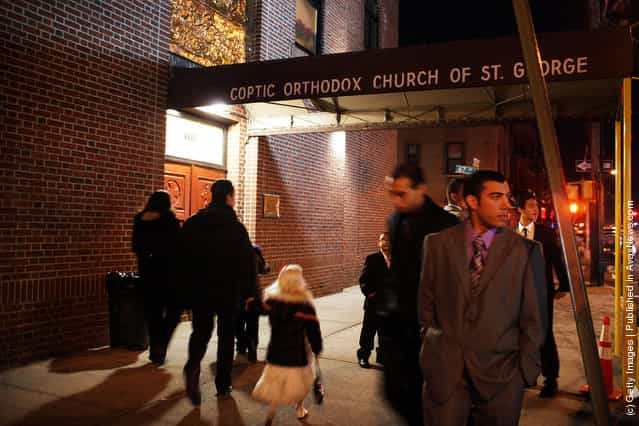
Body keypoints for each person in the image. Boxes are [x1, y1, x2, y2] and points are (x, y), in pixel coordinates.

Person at [418, 170, 547, 426]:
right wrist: (433, 346)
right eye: (496, 197)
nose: (507, 205)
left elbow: (534, 318)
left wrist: (523, 373)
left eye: (508, 197)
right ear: (472, 202)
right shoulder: (437, 245)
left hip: (502, 378)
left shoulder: (526, 251)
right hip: (446, 374)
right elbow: (425, 302)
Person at [381, 162, 458, 426]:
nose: (395, 200)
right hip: (399, 320)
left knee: (426, 395)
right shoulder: (394, 220)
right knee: (394, 391)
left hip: (432, 325)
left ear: (421, 189)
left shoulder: (447, 225)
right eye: (392, 193)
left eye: (401, 194)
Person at [182, 179, 258, 405]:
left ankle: (193, 365)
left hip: (200, 289)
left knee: (201, 332)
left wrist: (184, 288)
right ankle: (223, 384)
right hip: (228, 291)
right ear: (228, 197)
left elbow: (181, 259)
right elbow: (247, 263)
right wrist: (250, 292)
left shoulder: (193, 223)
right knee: (226, 337)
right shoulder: (236, 228)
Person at [516, 189, 570, 398]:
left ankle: (551, 378)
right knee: (519, 333)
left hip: (541, 291)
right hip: (516, 292)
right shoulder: (510, 232)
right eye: (530, 206)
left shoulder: (545, 233)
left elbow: (558, 259)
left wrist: (563, 285)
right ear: (520, 209)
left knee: (545, 332)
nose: (535, 210)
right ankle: (525, 374)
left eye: (536, 206)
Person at [252, 264, 323, 425]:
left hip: (276, 351)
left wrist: (251, 298)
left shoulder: (272, 300)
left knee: (276, 383)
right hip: (298, 352)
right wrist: (317, 347)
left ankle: (271, 412)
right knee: (301, 382)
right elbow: (313, 330)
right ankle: (299, 409)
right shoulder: (305, 305)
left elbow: (258, 309)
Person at [131, 190, 182, 366]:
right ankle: (161, 344)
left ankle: (155, 351)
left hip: (147, 273)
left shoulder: (139, 220)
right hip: (168, 273)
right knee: (174, 310)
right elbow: (178, 246)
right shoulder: (169, 220)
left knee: (153, 313)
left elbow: (135, 246)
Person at [356, 232, 391, 368]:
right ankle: (363, 356)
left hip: (389, 304)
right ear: (379, 242)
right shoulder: (372, 259)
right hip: (374, 303)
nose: (385, 242)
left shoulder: (399, 259)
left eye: (388, 240)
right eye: (382, 240)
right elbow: (363, 280)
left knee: (386, 332)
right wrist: (370, 294)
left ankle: (382, 358)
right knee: (368, 331)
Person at [236, 244, 270, 362]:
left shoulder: (230, 251)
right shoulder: (255, 251)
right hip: (254, 294)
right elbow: (264, 269)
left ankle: (241, 345)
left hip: (237, 295)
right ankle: (252, 348)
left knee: (238, 323)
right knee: (252, 324)